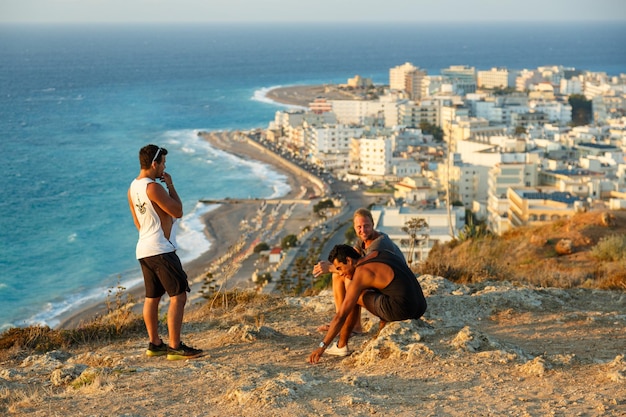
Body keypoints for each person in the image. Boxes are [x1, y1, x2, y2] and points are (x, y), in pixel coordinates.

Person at [128, 144, 203, 360]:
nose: (164, 169)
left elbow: (137, 222)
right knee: (178, 296)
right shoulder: (153, 187)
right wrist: (170, 184)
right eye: (163, 164)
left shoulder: (132, 188)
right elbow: (178, 211)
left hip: (144, 248)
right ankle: (175, 346)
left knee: (152, 297)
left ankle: (155, 344)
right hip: (161, 249)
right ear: (154, 163)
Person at [308, 244, 427, 364]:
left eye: (339, 268)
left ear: (349, 260)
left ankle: (341, 345)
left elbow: (341, 315)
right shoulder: (380, 253)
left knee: (354, 295)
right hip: (421, 306)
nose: (340, 273)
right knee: (380, 288)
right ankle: (382, 325)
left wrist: (322, 346)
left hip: (402, 310)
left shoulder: (362, 273)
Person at [312, 208, 405, 334]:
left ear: (373, 224)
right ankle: (344, 322)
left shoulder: (379, 244)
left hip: (393, 286)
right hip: (378, 278)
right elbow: (351, 260)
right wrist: (332, 265)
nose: (363, 230)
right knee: (338, 276)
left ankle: (352, 326)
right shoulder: (362, 240)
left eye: (366, 226)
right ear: (355, 228)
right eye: (359, 227)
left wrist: (329, 268)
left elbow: (359, 269)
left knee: (350, 279)